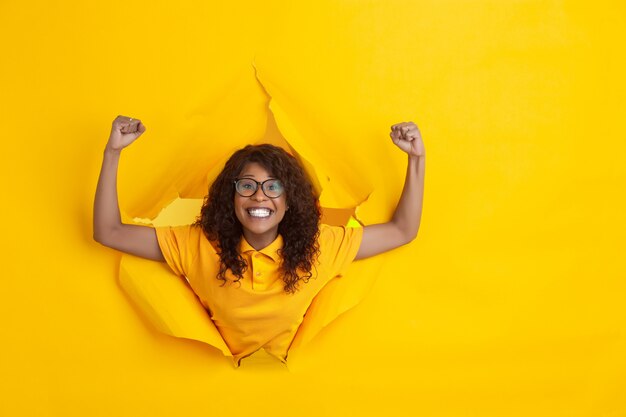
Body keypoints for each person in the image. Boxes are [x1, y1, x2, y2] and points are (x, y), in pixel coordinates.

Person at [94, 115, 425, 364]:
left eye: (273, 187)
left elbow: (402, 230)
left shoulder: (321, 246)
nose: (259, 197)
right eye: (247, 186)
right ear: (232, 195)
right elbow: (109, 231)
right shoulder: (196, 246)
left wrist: (416, 158)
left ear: (288, 198)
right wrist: (112, 152)